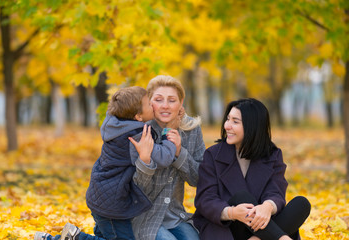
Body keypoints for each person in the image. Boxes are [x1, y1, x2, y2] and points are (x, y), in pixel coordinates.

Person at [34, 86, 177, 240]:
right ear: (138, 117)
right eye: (149, 104)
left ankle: (48, 239)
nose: (153, 105)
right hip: (113, 204)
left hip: (102, 194)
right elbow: (164, 157)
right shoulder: (135, 137)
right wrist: (167, 136)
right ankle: (76, 237)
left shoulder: (115, 125)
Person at [193, 98, 311, 240]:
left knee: (301, 204)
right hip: (229, 226)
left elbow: (276, 191)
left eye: (235, 122)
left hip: (262, 225)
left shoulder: (272, 154)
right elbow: (205, 199)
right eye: (228, 119)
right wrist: (232, 212)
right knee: (242, 198)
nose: (227, 126)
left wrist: (267, 207)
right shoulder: (213, 154)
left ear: (253, 126)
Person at [131, 75, 206, 240]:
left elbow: (199, 179)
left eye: (172, 100)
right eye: (158, 99)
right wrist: (144, 161)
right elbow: (137, 189)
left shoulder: (191, 130)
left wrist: (179, 152)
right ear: (149, 103)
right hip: (143, 216)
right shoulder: (139, 131)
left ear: (181, 104)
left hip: (174, 215)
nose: (165, 106)